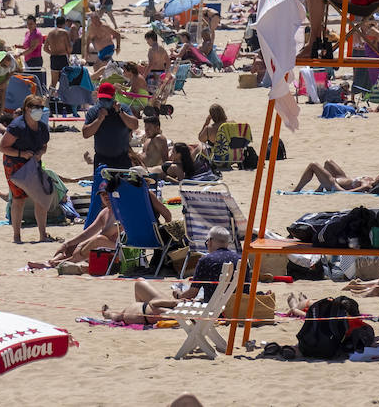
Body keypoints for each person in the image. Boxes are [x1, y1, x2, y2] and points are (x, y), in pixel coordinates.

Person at [100, 227, 242, 324]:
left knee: (142, 289)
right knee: (146, 294)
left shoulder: (206, 260)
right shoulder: (240, 260)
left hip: (207, 310)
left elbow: (192, 293)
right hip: (232, 308)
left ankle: (122, 314)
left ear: (210, 241)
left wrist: (179, 295)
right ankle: (126, 313)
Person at [27, 176, 121, 271]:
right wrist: (67, 244)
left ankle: (63, 262)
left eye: (107, 193)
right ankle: (51, 262)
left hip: (118, 250)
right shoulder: (105, 212)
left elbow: (105, 235)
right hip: (107, 248)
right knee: (73, 244)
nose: (105, 197)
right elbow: (87, 233)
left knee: (98, 240)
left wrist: (81, 246)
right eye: (102, 195)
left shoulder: (120, 212)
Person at [0, 94, 56, 244]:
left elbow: (44, 146)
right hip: (15, 165)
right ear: (27, 108)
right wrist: (21, 154)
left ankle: (42, 235)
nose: (39, 110)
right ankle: (17, 236)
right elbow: (3, 147)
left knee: (40, 198)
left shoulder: (42, 127)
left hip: (33, 165)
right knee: (18, 200)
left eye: (41, 107)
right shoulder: (17, 126)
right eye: (35, 107)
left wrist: (39, 153)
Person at [83, 82, 138, 221]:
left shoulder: (123, 109)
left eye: (107, 99)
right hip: (102, 160)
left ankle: (123, 220)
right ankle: (101, 221)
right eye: (102, 99)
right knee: (102, 194)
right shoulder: (94, 111)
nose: (105, 102)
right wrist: (100, 119)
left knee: (124, 192)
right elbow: (86, 133)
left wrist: (120, 113)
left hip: (122, 158)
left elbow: (134, 125)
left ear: (113, 97)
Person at [293, 160, 379, 193]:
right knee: (328, 162)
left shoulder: (367, 185)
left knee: (313, 165)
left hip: (334, 184)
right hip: (342, 177)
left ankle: (296, 190)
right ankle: (320, 188)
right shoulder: (370, 180)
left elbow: (349, 193)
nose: (377, 175)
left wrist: (337, 188)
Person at [44, 22, 72, 91]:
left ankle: (50, 97)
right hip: (62, 57)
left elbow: (45, 48)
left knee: (53, 81)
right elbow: (69, 48)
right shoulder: (64, 32)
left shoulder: (50, 33)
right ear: (64, 24)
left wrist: (52, 53)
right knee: (65, 80)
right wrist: (68, 54)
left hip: (54, 58)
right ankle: (65, 98)